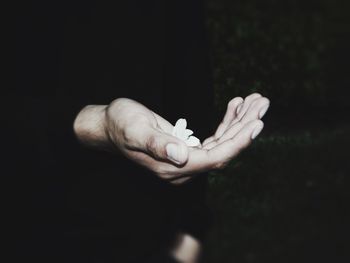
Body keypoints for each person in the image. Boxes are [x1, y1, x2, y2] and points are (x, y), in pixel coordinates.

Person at [10, 0, 270, 262]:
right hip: (29, 229)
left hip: (149, 236)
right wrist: (95, 123)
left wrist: (190, 235)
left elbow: (190, 86)